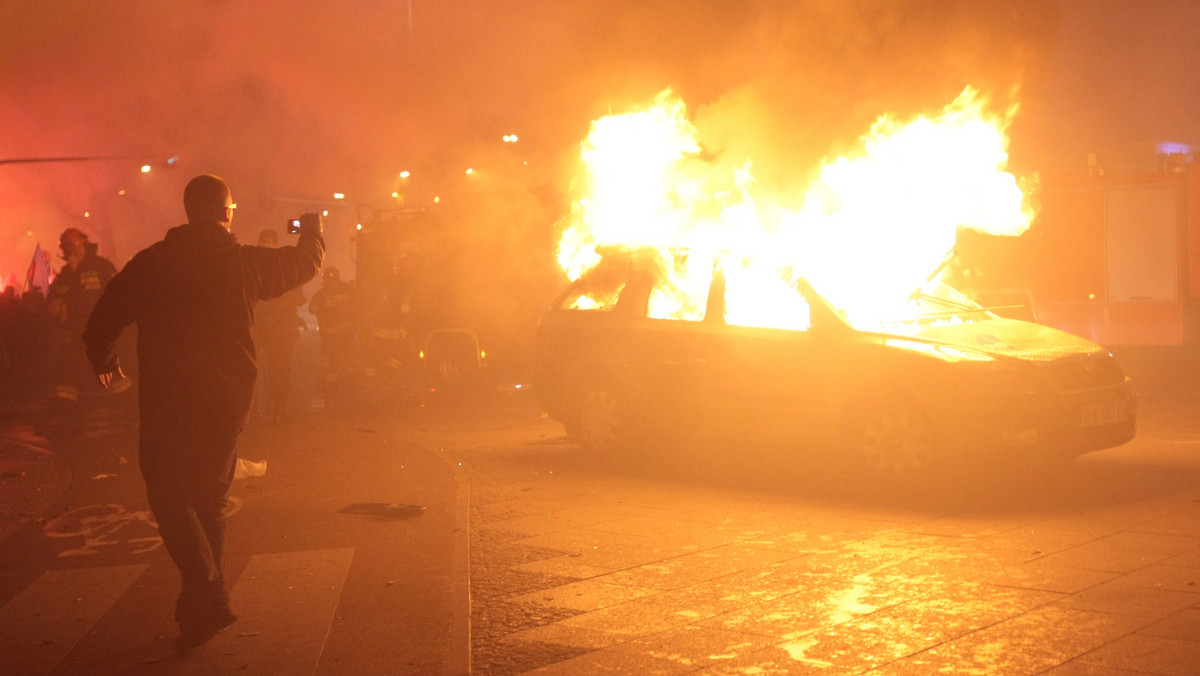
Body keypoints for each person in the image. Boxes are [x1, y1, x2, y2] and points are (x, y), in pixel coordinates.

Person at [82, 175, 324, 651]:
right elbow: (304, 264)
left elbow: (100, 323)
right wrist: (312, 231)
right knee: (209, 498)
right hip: (226, 401)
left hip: (167, 401)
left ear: (188, 211)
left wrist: (109, 374)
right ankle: (202, 605)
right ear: (227, 212)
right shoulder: (243, 264)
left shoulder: (152, 263)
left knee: (169, 496)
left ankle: (206, 591)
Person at [47, 229, 119, 425]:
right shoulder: (67, 271)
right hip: (75, 337)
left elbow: (118, 297)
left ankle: (133, 414)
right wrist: (71, 271)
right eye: (65, 247)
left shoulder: (102, 267)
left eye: (71, 245)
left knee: (115, 378)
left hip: (100, 336)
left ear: (82, 243)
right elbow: (55, 296)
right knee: (68, 379)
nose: (68, 251)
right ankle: (64, 421)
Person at [251, 228, 307, 422]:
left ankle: (277, 407)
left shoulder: (254, 264)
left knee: (279, 370)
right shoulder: (282, 266)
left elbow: (297, 296)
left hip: (277, 329)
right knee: (254, 371)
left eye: (269, 243)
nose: (267, 246)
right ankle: (260, 409)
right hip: (259, 327)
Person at [307, 266, 357, 405]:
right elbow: (312, 308)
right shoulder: (321, 295)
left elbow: (357, 306)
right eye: (329, 281)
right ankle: (334, 393)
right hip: (332, 337)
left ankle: (350, 391)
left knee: (348, 362)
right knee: (334, 364)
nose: (331, 283)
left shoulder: (346, 291)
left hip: (344, 335)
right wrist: (326, 305)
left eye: (333, 280)